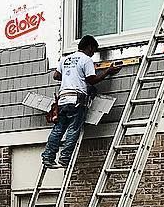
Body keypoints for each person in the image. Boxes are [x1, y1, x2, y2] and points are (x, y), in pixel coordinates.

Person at [42, 35, 121, 169]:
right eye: (93, 50)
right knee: (73, 129)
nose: (93, 53)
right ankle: (64, 159)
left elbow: (56, 76)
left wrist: (71, 76)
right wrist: (107, 71)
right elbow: (92, 80)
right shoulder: (86, 60)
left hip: (62, 100)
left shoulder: (65, 59)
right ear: (89, 47)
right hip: (76, 100)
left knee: (58, 129)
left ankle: (48, 157)